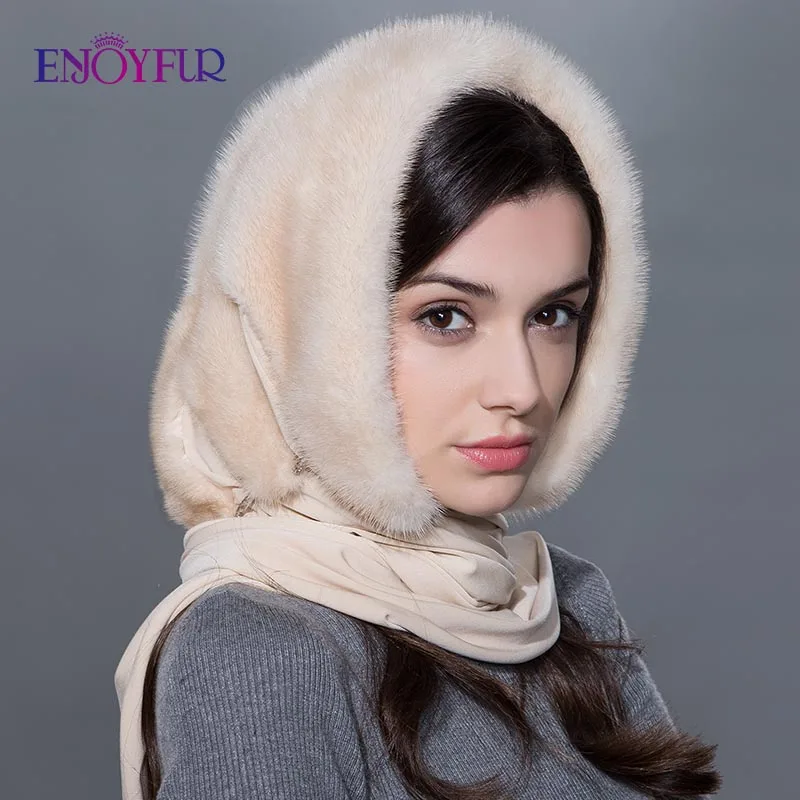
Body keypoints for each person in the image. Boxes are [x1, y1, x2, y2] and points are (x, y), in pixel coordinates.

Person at [114, 12, 722, 800]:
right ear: (303, 327)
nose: (522, 388)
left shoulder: (563, 602)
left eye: (553, 314)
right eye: (446, 317)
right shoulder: (259, 649)